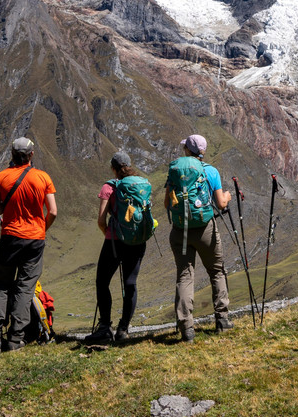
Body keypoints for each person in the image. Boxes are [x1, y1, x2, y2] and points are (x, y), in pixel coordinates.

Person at [0, 137, 58, 352]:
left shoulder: (2, 177)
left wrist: (5, 210)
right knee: (25, 288)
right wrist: (41, 229)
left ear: (12, 155)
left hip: (10, 237)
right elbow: (53, 211)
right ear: (31, 155)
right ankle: (16, 338)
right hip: (35, 239)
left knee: (0, 285)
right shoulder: (43, 178)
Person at [164, 134, 232, 341]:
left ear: (187, 150)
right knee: (217, 271)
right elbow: (221, 204)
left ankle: (187, 328)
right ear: (202, 151)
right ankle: (222, 320)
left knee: (185, 276)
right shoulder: (210, 171)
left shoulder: (175, 171)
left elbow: (167, 203)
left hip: (180, 230)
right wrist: (228, 196)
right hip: (205, 229)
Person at [85, 151, 150, 344]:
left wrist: (109, 233)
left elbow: (100, 219)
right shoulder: (141, 184)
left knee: (102, 281)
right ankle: (123, 329)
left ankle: (105, 327)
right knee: (130, 284)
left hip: (114, 242)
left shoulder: (109, 187)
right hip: (137, 241)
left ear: (113, 168)